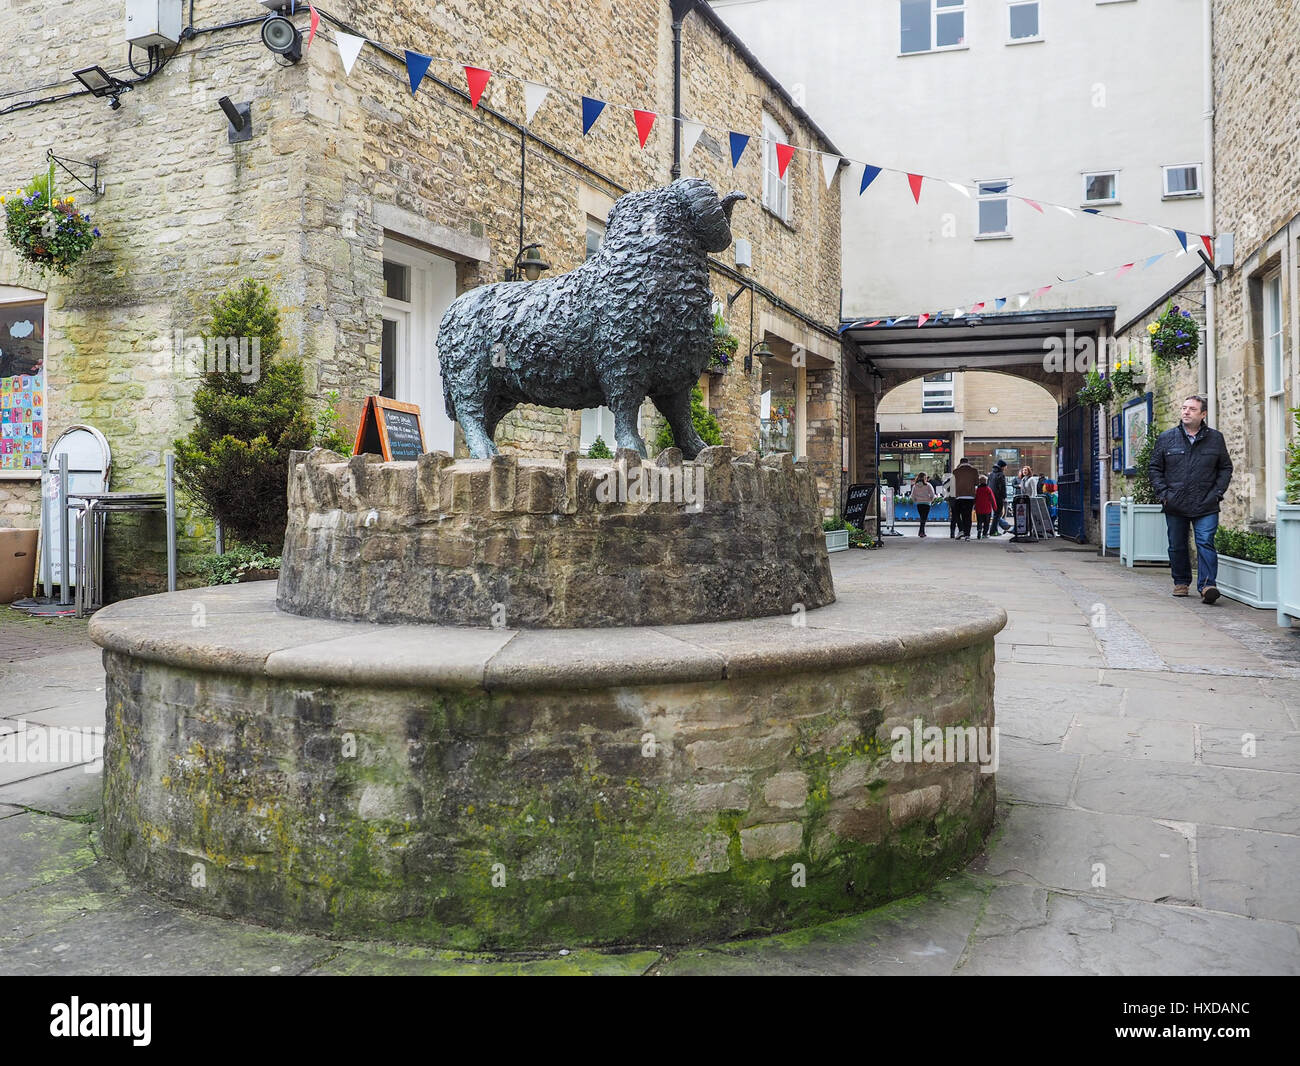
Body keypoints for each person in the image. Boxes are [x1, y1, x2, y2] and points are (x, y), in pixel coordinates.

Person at [1149, 394, 1234, 603]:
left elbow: (1225, 467)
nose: (1186, 412)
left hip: (1206, 502)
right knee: (1177, 544)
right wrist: (1164, 494)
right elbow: (1155, 468)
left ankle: (1207, 586)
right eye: (1184, 408)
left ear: (1203, 414)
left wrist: (1217, 493)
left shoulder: (1215, 438)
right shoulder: (1167, 438)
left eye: (1192, 409)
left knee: (1205, 542)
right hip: (1175, 502)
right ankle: (1181, 582)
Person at [951, 456, 979, 541]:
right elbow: (977, 482)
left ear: (960, 463)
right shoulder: (974, 471)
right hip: (970, 496)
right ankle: (967, 535)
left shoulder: (955, 471)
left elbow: (953, 484)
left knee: (958, 514)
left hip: (959, 496)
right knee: (967, 516)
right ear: (968, 463)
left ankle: (961, 530)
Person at [988, 459, 1012, 536]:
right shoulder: (1000, 475)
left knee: (996, 513)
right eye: (1005, 467)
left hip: (991, 496)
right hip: (998, 497)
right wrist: (1004, 496)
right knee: (998, 513)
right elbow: (1002, 487)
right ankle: (993, 531)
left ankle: (1002, 526)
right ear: (1002, 467)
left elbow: (988, 485)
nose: (1005, 468)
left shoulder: (991, 474)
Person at [911, 472, 935, 538]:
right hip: (927, 503)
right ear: (925, 478)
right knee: (924, 518)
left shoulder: (915, 486)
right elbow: (932, 494)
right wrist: (931, 500)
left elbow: (912, 496)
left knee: (922, 517)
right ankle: (921, 532)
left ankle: (921, 532)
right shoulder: (928, 485)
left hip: (919, 504)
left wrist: (915, 501)